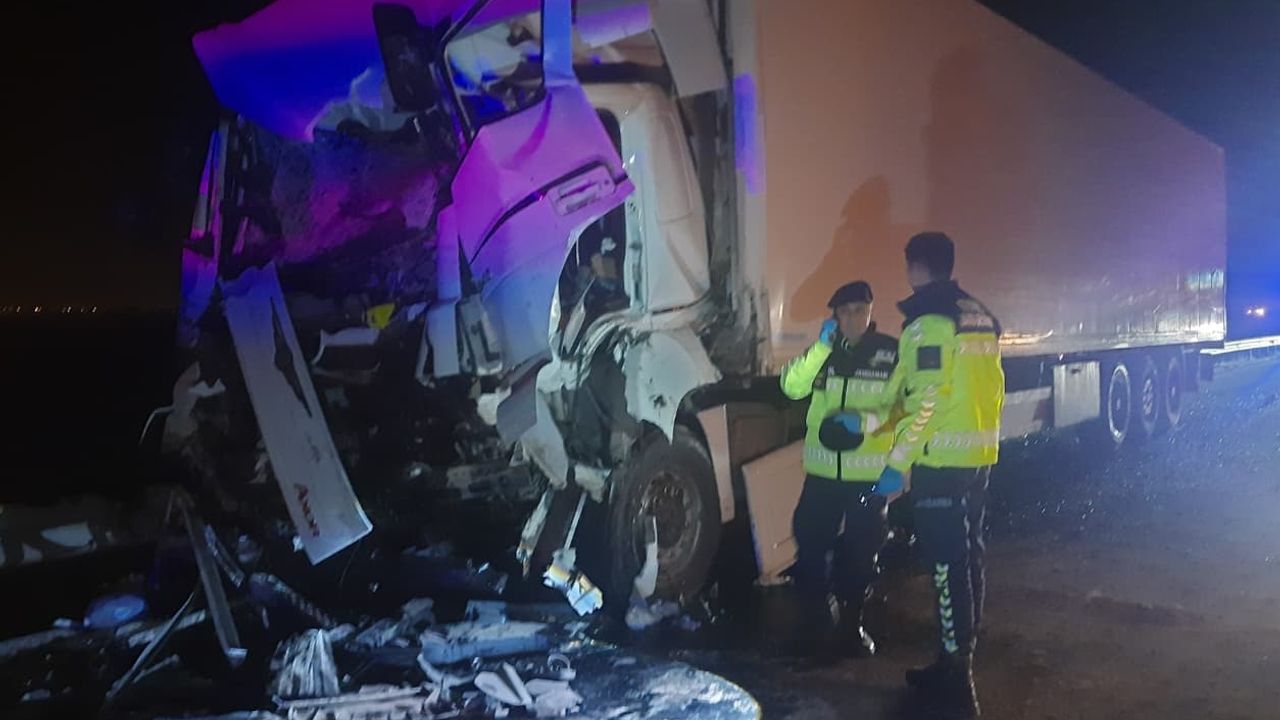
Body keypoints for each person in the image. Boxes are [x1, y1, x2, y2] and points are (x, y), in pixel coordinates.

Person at [875, 232, 1004, 718]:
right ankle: (955, 658)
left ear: (916, 267)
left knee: (948, 567)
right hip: (977, 455)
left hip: (942, 460)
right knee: (968, 556)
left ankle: (956, 675)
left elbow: (925, 403)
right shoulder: (979, 314)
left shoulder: (929, 322)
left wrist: (896, 465)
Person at [780, 281, 900, 659]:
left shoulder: (890, 354)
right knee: (810, 547)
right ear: (834, 317)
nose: (852, 319)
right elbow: (791, 387)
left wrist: (864, 422)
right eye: (844, 313)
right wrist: (820, 348)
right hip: (823, 474)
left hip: (867, 474)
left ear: (870, 311)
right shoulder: (824, 352)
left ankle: (852, 628)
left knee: (861, 553)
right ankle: (814, 624)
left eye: (859, 311)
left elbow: (904, 408)